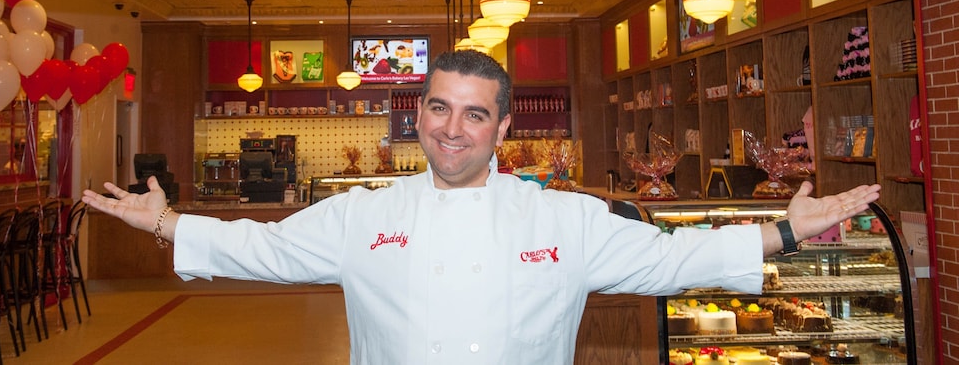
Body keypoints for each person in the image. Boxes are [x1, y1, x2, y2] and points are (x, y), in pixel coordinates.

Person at [83, 50, 880, 364]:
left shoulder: (562, 220)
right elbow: (263, 252)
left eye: (473, 114)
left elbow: (671, 261)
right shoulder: (365, 213)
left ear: (502, 126)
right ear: (419, 116)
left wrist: (781, 228)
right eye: (438, 108)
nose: (452, 128)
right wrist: (163, 221)